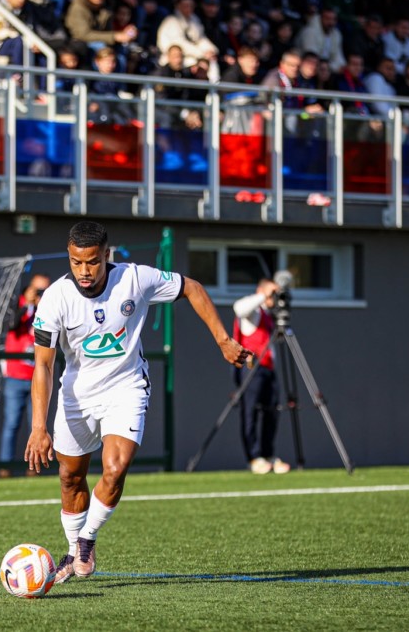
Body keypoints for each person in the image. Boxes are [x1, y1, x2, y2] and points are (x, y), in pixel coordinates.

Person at [25, 221, 251, 582]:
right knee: (71, 477)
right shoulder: (55, 298)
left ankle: (85, 542)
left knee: (115, 468)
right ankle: (72, 549)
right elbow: (43, 365)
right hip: (76, 396)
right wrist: (39, 427)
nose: (84, 271)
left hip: (126, 388)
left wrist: (223, 339)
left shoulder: (135, 278)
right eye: (76, 262)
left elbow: (191, 287)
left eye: (92, 262)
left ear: (107, 256)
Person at [232, 278, 290, 475]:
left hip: (267, 369)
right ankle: (254, 457)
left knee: (272, 411)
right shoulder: (253, 310)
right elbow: (239, 308)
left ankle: (268, 454)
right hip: (251, 367)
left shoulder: (267, 315)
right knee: (250, 413)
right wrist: (263, 295)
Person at [0, 273, 52, 477]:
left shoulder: (48, 310)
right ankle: (4, 468)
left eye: (45, 291)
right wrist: (27, 305)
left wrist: (40, 304)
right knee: (11, 423)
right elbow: (10, 325)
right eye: (38, 290)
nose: (41, 294)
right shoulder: (18, 306)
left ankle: (34, 468)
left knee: (37, 425)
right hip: (16, 376)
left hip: (38, 378)